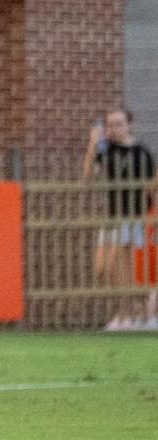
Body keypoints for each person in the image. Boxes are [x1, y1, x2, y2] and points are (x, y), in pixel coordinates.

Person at [83, 109, 155, 330]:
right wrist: (93, 144)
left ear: (129, 125)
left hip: (134, 216)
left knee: (120, 266)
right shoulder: (106, 149)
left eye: (119, 124)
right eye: (110, 125)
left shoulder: (142, 152)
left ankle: (128, 315)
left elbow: (152, 187)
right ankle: (137, 310)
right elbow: (89, 176)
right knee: (102, 268)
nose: (114, 129)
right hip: (112, 217)